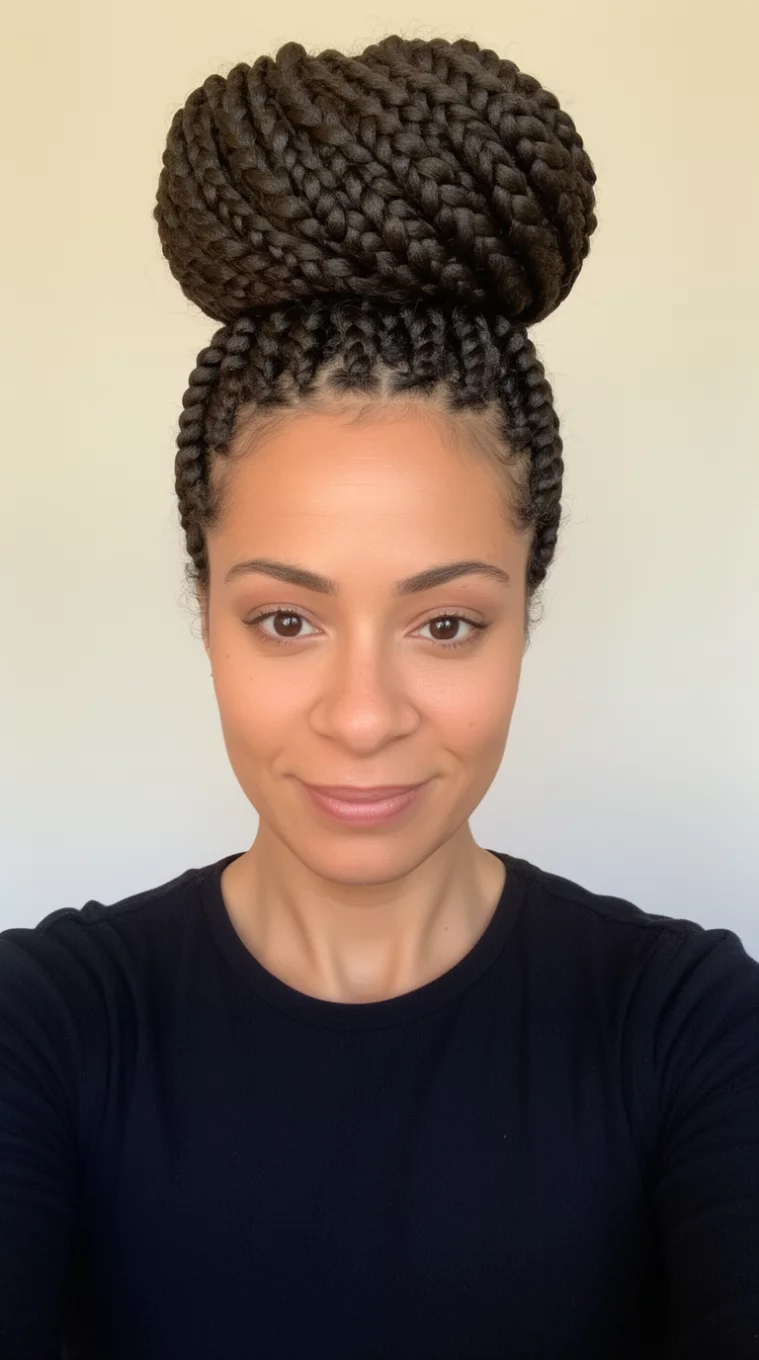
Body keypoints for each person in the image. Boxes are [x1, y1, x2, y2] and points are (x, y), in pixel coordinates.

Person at [1, 33, 757, 1360]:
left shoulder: (687, 1028)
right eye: (285, 619)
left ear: (529, 605)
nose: (362, 716)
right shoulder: (49, 1027)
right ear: (204, 606)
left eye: (446, 621)